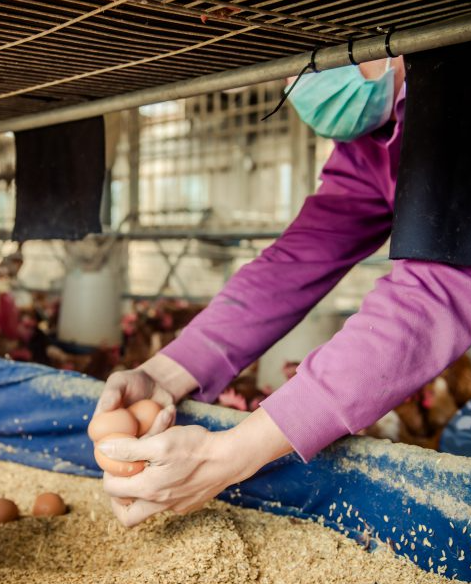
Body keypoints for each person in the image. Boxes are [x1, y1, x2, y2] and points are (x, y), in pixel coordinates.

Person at [94, 51, 471, 527]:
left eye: (328, 53)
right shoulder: (371, 143)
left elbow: (442, 282)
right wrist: (166, 373)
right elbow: (300, 257)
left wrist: (229, 456)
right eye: (296, 63)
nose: (300, 79)